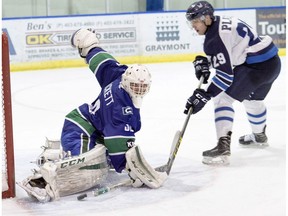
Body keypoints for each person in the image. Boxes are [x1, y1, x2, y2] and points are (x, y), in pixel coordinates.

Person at [17, 28, 167, 202]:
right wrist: (129, 168)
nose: (138, 91)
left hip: (94, 129)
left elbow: (103, 63)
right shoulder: (120, 109)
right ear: (127, 82)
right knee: (82, 170)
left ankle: (58, 154)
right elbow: (119, 145)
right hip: (81, 129)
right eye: (135, 86)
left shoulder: (120, 74)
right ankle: (40, 181)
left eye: (142, 87)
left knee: (102, 160)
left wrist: (89, 46)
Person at [183, 1, 281, 165]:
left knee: (222, 98)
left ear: (207, 18)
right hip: (272, 63)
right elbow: (228, 52)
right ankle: (259, 136)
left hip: (255, 67)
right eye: (191, 22)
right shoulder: (221, 22)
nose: (193, 26)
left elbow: (225, 76)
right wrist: (207, 63)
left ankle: (223, 148)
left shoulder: (214, 38)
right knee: (253, 100)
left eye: (196, 21)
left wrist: (206, 95)